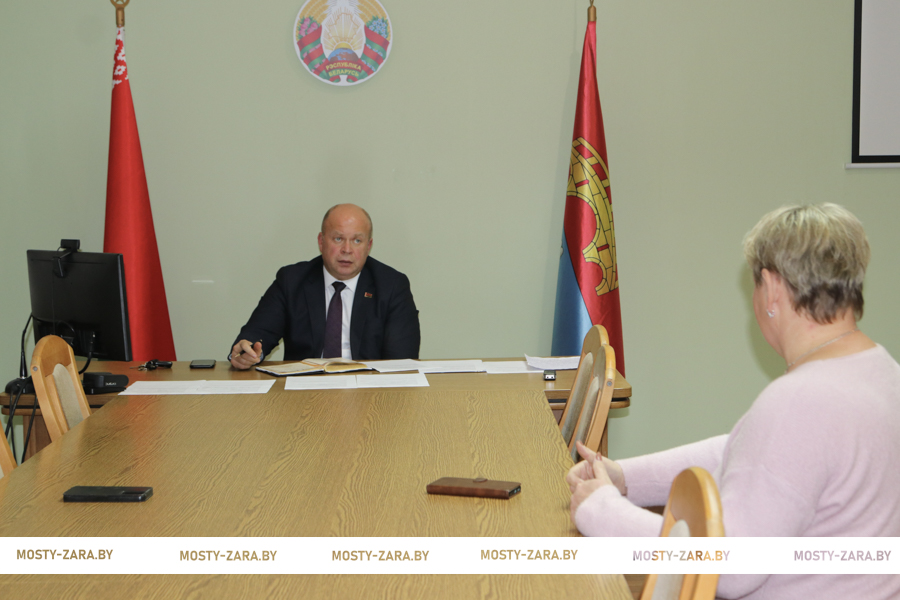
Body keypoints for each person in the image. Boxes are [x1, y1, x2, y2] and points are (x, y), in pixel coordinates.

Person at [567, 204, 900, 599]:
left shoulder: (799, 402)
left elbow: (730, 567)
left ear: (771, 288)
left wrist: (602, 510)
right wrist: (625, 477)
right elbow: (747, 453)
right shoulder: (881, 371)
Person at [230, 204, 420, 369]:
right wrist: (247, 351)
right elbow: (258, 332)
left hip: (368, 390)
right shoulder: (292, 281)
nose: (347, 249)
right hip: (304, 389)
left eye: (357, 240)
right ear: (321, 242)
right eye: (338, 239)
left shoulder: (392, 286)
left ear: (368, 246)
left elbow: (402, 360)